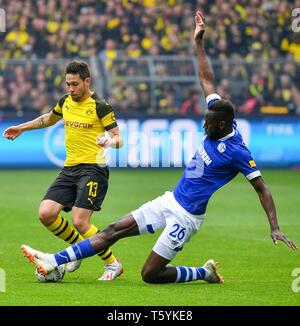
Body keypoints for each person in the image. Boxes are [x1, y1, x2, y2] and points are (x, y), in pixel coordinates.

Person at [21, 11, 297, 285]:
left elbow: (262, 188)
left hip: (187, 217)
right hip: (170, 199)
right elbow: (206, 79)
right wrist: (199, 43)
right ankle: (53, 259)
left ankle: (203, 272)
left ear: (223, 125)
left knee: (149, 275)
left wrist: (274, 226)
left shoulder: (237, 152)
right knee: (112, 230)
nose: (204, 126)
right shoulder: (217, 110)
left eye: (208, 124)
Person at [3, 61, 124, 280]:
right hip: (69, 169)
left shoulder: (100, 105)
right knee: (46, 214)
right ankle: (79, 249)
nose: (70, 89)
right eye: (68, 84)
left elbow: (119, 138)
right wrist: (21, 128)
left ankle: (112, 263)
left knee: (80, 221)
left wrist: (108, 141)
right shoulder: (66, 101)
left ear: (87, 82)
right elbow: (48, 119)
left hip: (93, 169)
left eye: (75, 84)